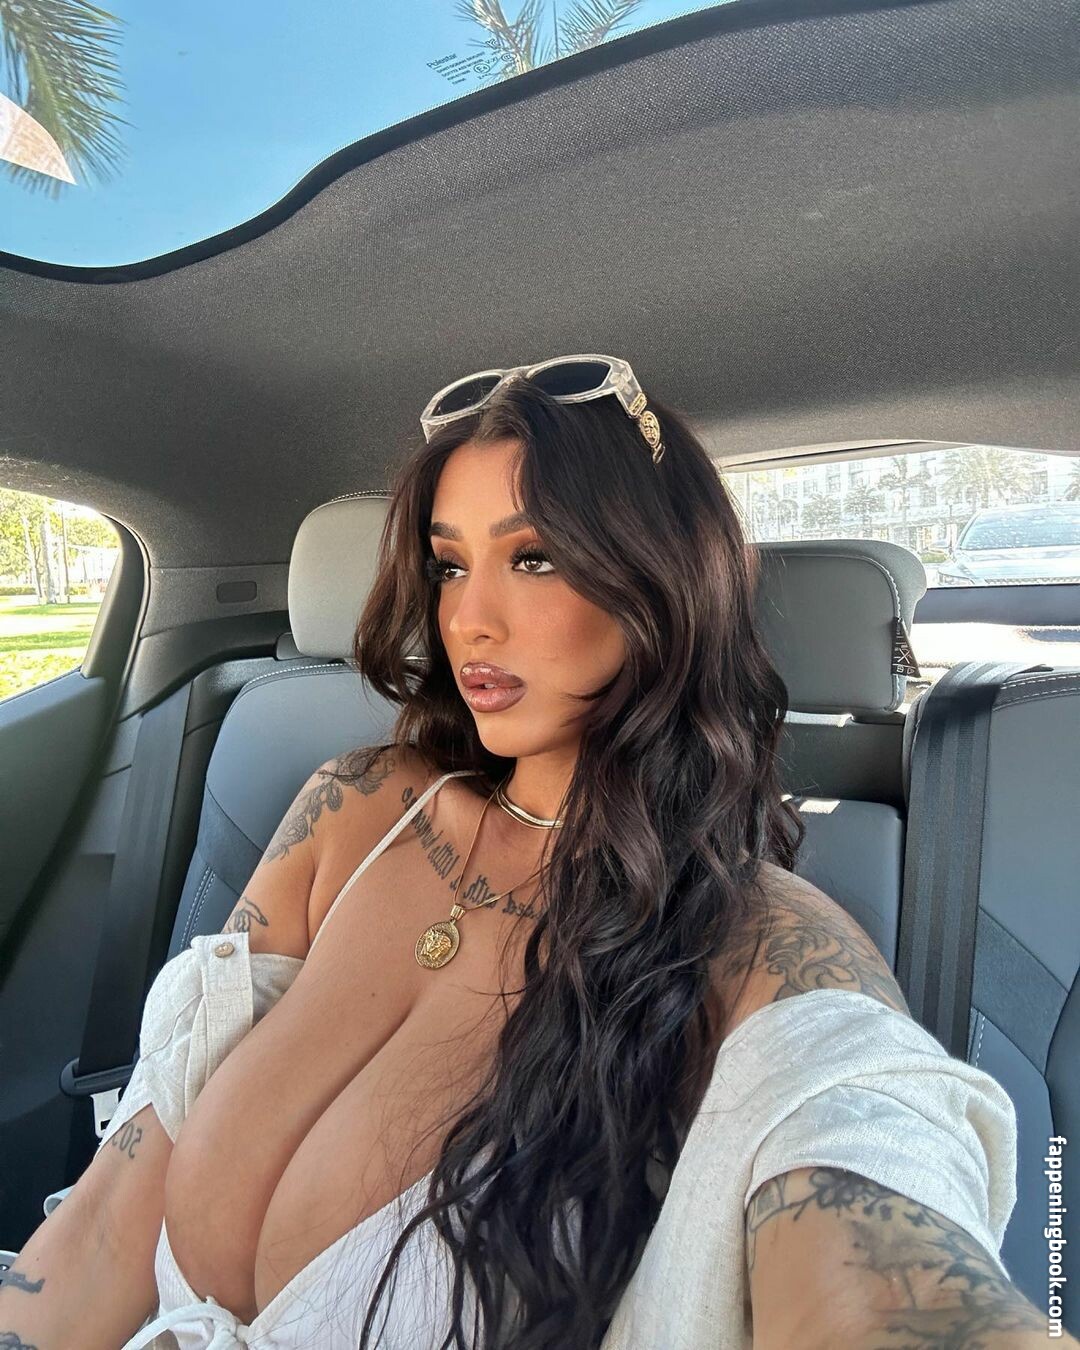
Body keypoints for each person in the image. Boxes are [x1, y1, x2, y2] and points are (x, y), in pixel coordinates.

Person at [0, 356, 1058, 1349]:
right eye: (449, 565)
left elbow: (876, 1212)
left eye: (535, 558)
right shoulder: (354, 809)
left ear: (661, 584)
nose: (470, 619)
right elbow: (103, 1231)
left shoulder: (758, 942)